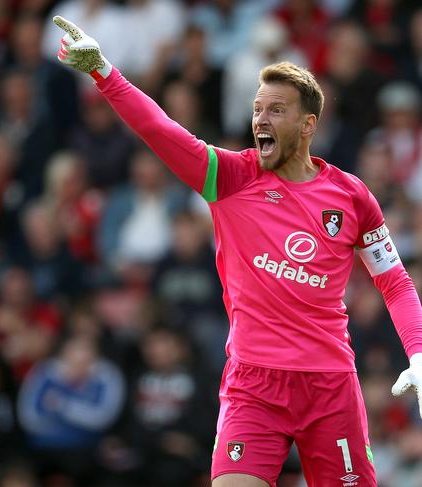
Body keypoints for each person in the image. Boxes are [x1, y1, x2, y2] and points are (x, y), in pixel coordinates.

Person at [51, 15, 422, 487]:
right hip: (254, 385)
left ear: (307, 125)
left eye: (275, 110)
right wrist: (105, 71)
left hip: (329, 385)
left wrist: (418, 351)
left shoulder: (351, 196)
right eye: (256, 108)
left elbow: (394, 281)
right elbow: (160, 130)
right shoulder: (230, 178)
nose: (260, 120)